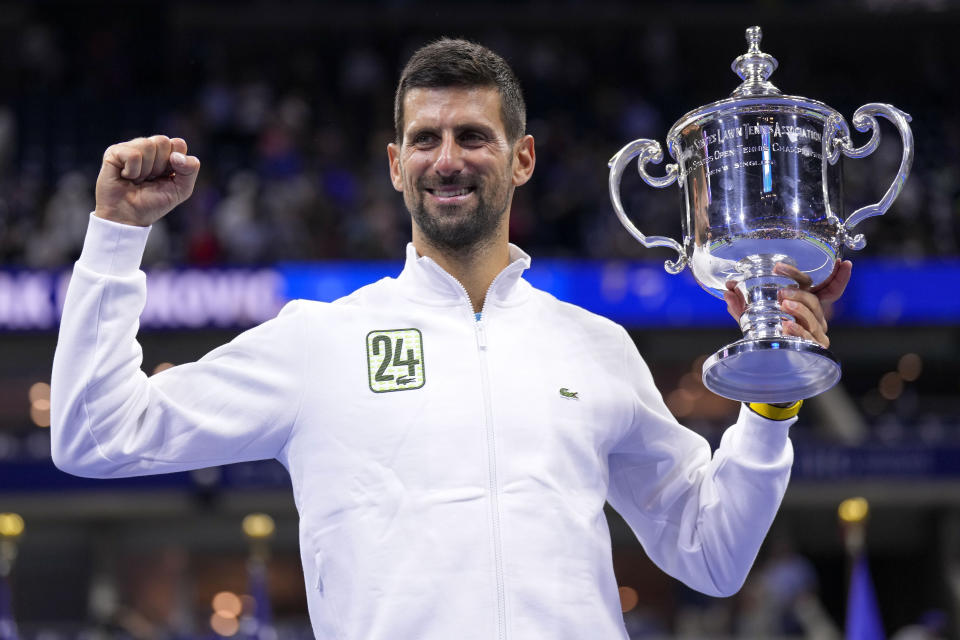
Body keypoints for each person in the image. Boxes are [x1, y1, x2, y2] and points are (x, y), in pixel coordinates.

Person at [51, 39, 850, 640]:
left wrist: (769, 403)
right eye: (426, 140)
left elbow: (711, 553)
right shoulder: (319, 342)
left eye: (473, 136)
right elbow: (95, 435)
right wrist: (116, 238)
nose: (448, 159)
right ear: (396, 165)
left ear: (523, 158)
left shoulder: (595, 346)